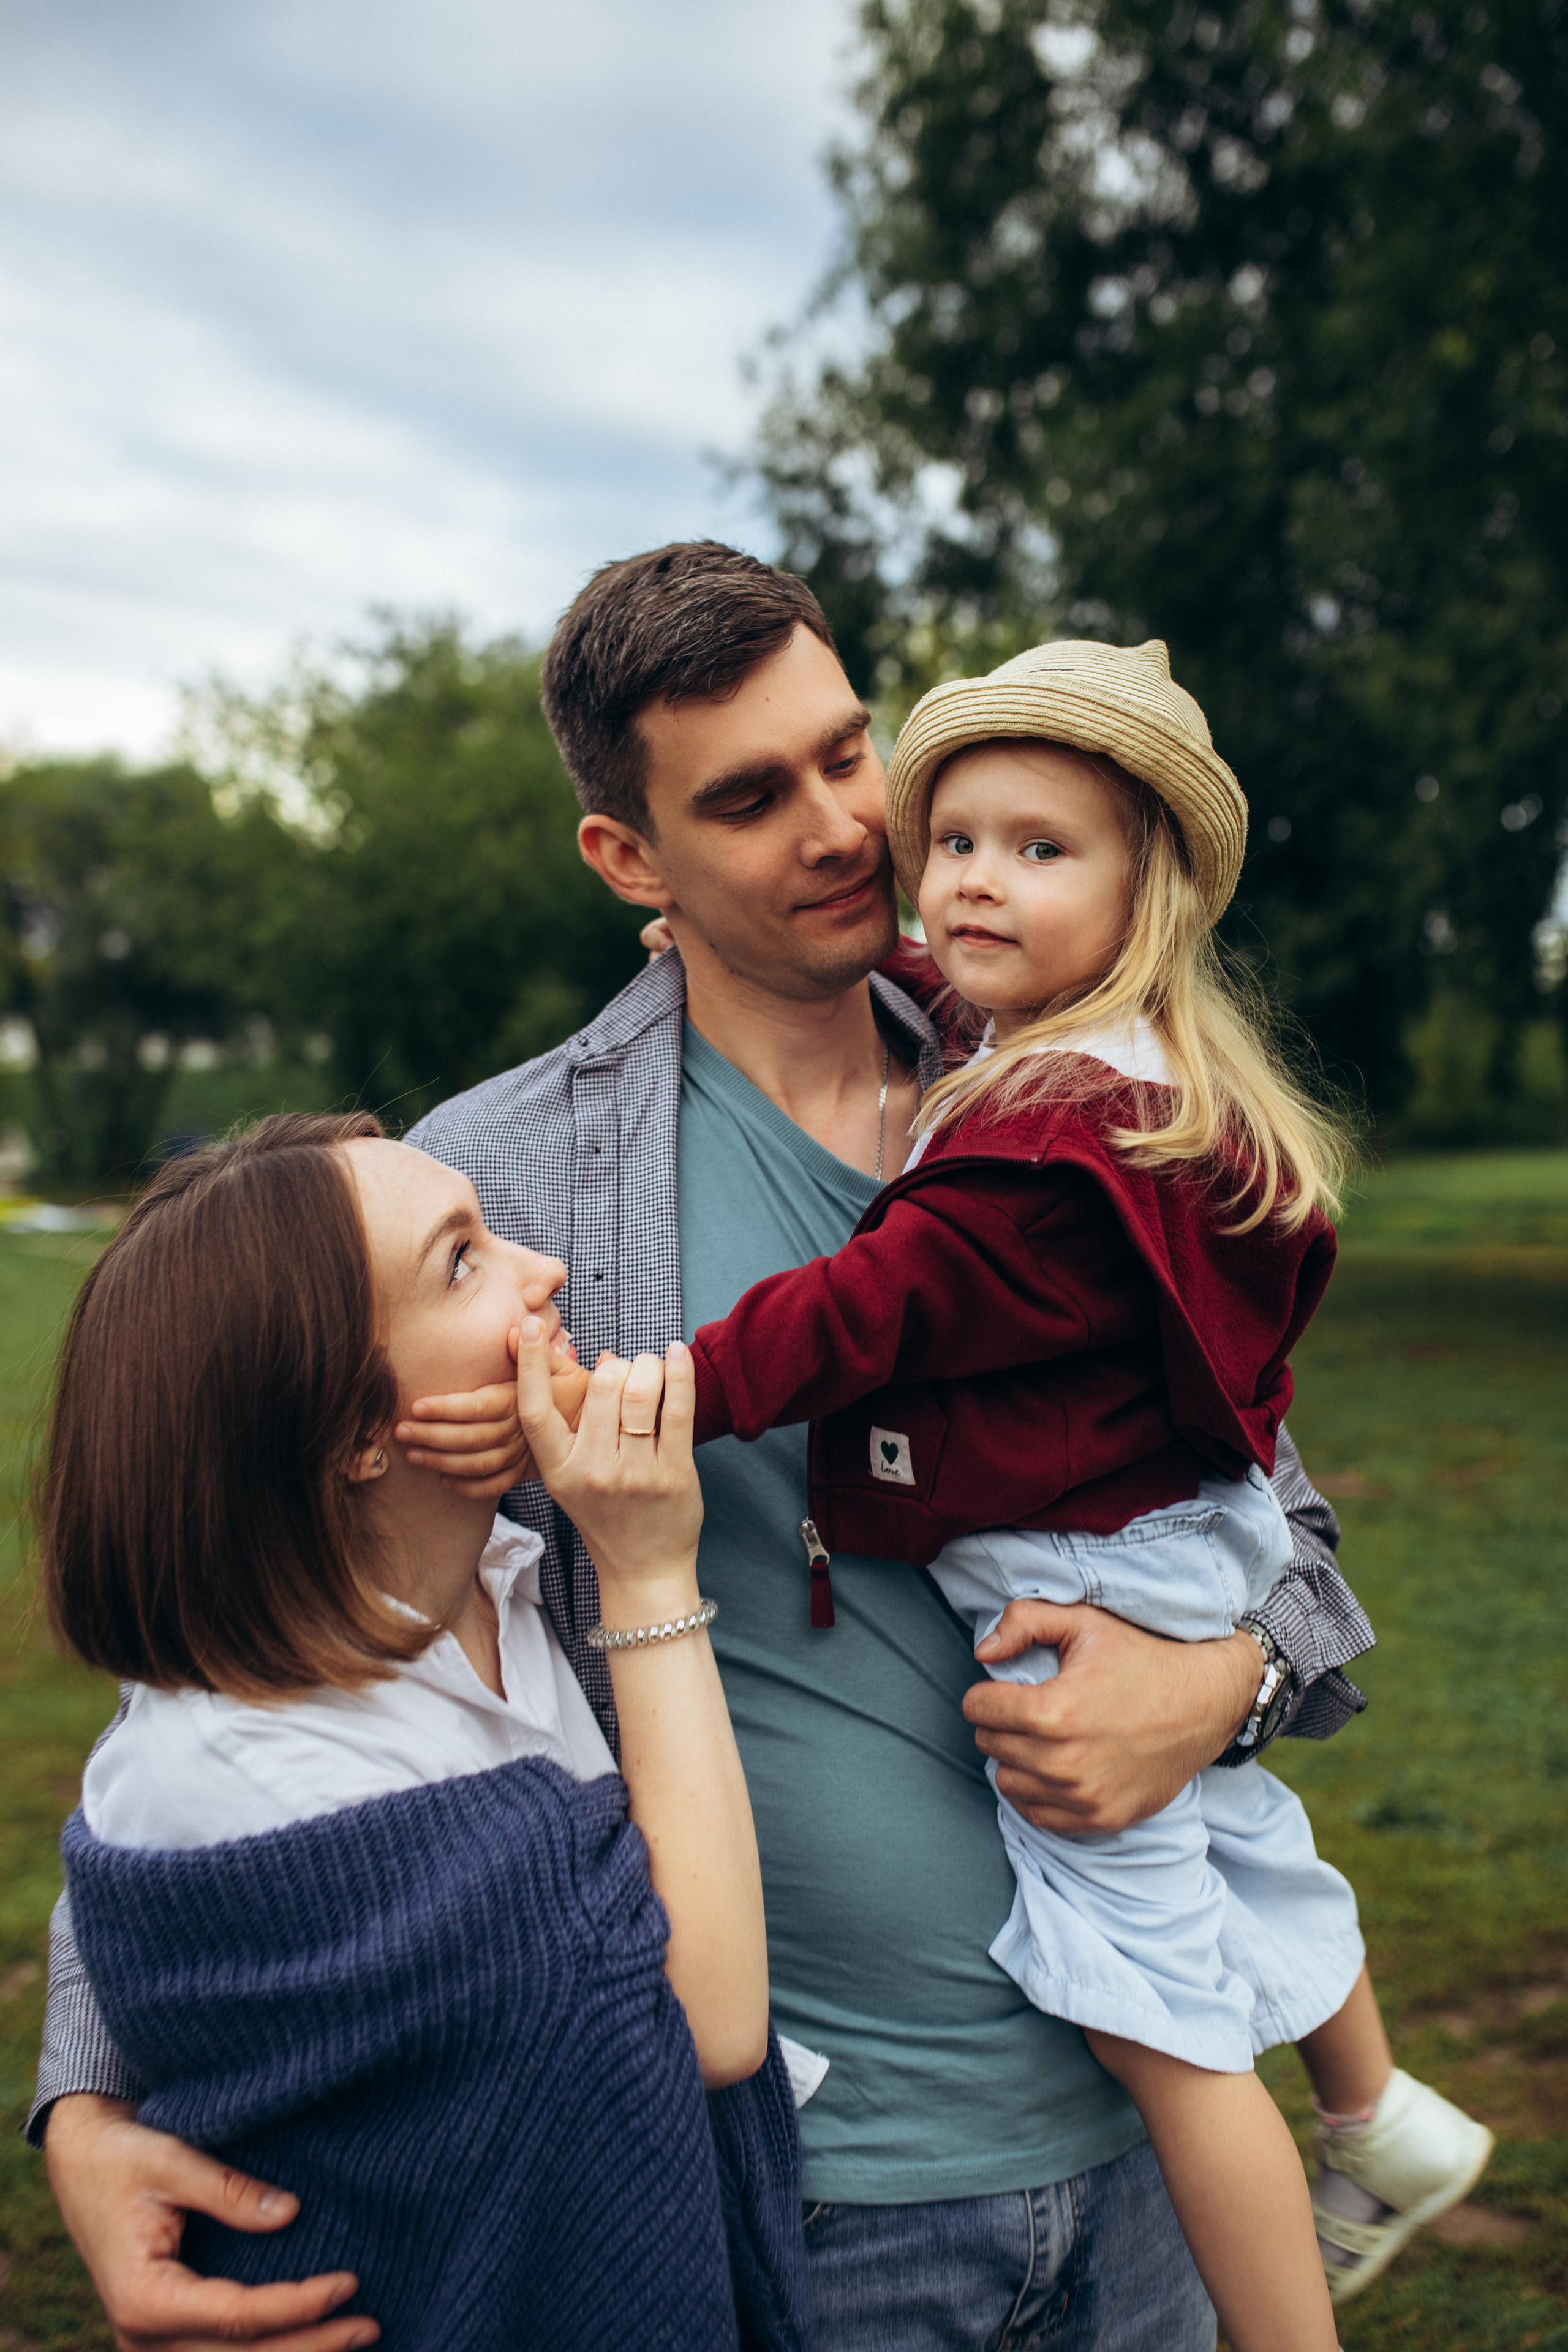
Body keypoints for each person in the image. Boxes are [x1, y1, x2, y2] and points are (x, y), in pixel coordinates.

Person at [35, 546, 1378, 2352]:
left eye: (849, 757)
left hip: (1148, 2117)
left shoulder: (1079, 1096)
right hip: (804, 2194)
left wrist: (1221, 1684)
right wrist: (89, 2100)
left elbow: (1277, 1522)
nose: (841, 826)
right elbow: (228, 1637)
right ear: (630, 859)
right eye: (751, 799)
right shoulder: (493, 1187)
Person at [675, 638, 1494, 2337]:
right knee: (1235, 1833)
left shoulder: (1035, 1149)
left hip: (1086, 1593)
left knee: (1170, 2040)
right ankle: (1381, 2108)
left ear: (1147, 898)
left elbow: (854, 1316)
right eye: (957, 838)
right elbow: (962, 968)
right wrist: (877, 939)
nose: (977, 880)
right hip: (1177, 1539)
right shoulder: (1110, 1063)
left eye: (1040, 851)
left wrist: (669, 1388)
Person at [37, 1112, 810, 2352]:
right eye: (464, 1260)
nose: (542, 1269)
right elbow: (700, 2019)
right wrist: (650, 1572)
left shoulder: (486, 1577)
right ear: (346, 1434)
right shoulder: (266, 1768)